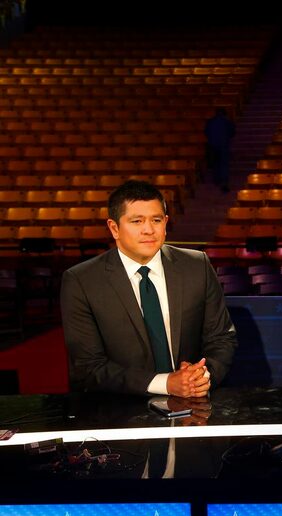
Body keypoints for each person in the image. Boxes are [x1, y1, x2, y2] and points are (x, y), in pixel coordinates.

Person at [61, 180, 237, 397]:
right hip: (118, 409)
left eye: (156, 220)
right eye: (137, 221)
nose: (149, 230)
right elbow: (88, 367)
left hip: (192, 403)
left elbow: (221, 338)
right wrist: (165, 384)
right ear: (114, 228)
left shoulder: (197, 265)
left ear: (166, 223)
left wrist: (202, 376)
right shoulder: (81, 281)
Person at [204, 107, 235, 192]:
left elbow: (206, 132)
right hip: (224, 145)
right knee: (223, 163)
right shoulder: (227, 122)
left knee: (216, 163)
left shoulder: (210, 122)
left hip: (213, 146)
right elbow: (232, 132)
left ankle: (217, 180)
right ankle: (224, 180)